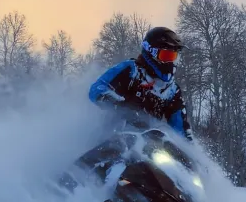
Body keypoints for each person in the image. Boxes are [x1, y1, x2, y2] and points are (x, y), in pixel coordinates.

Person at [70, 27, 193, 183]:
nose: (171, 62)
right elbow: (97, 89)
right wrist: (118, 105)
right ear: (152, 53)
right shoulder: (131, 70)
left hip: (148, 146)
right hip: (114, 133)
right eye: (167, 55)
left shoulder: (171, 90)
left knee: (169, 176)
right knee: (119, 145)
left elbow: (181, 128)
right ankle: (70, 179)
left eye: (174, 57)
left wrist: (192, 156)